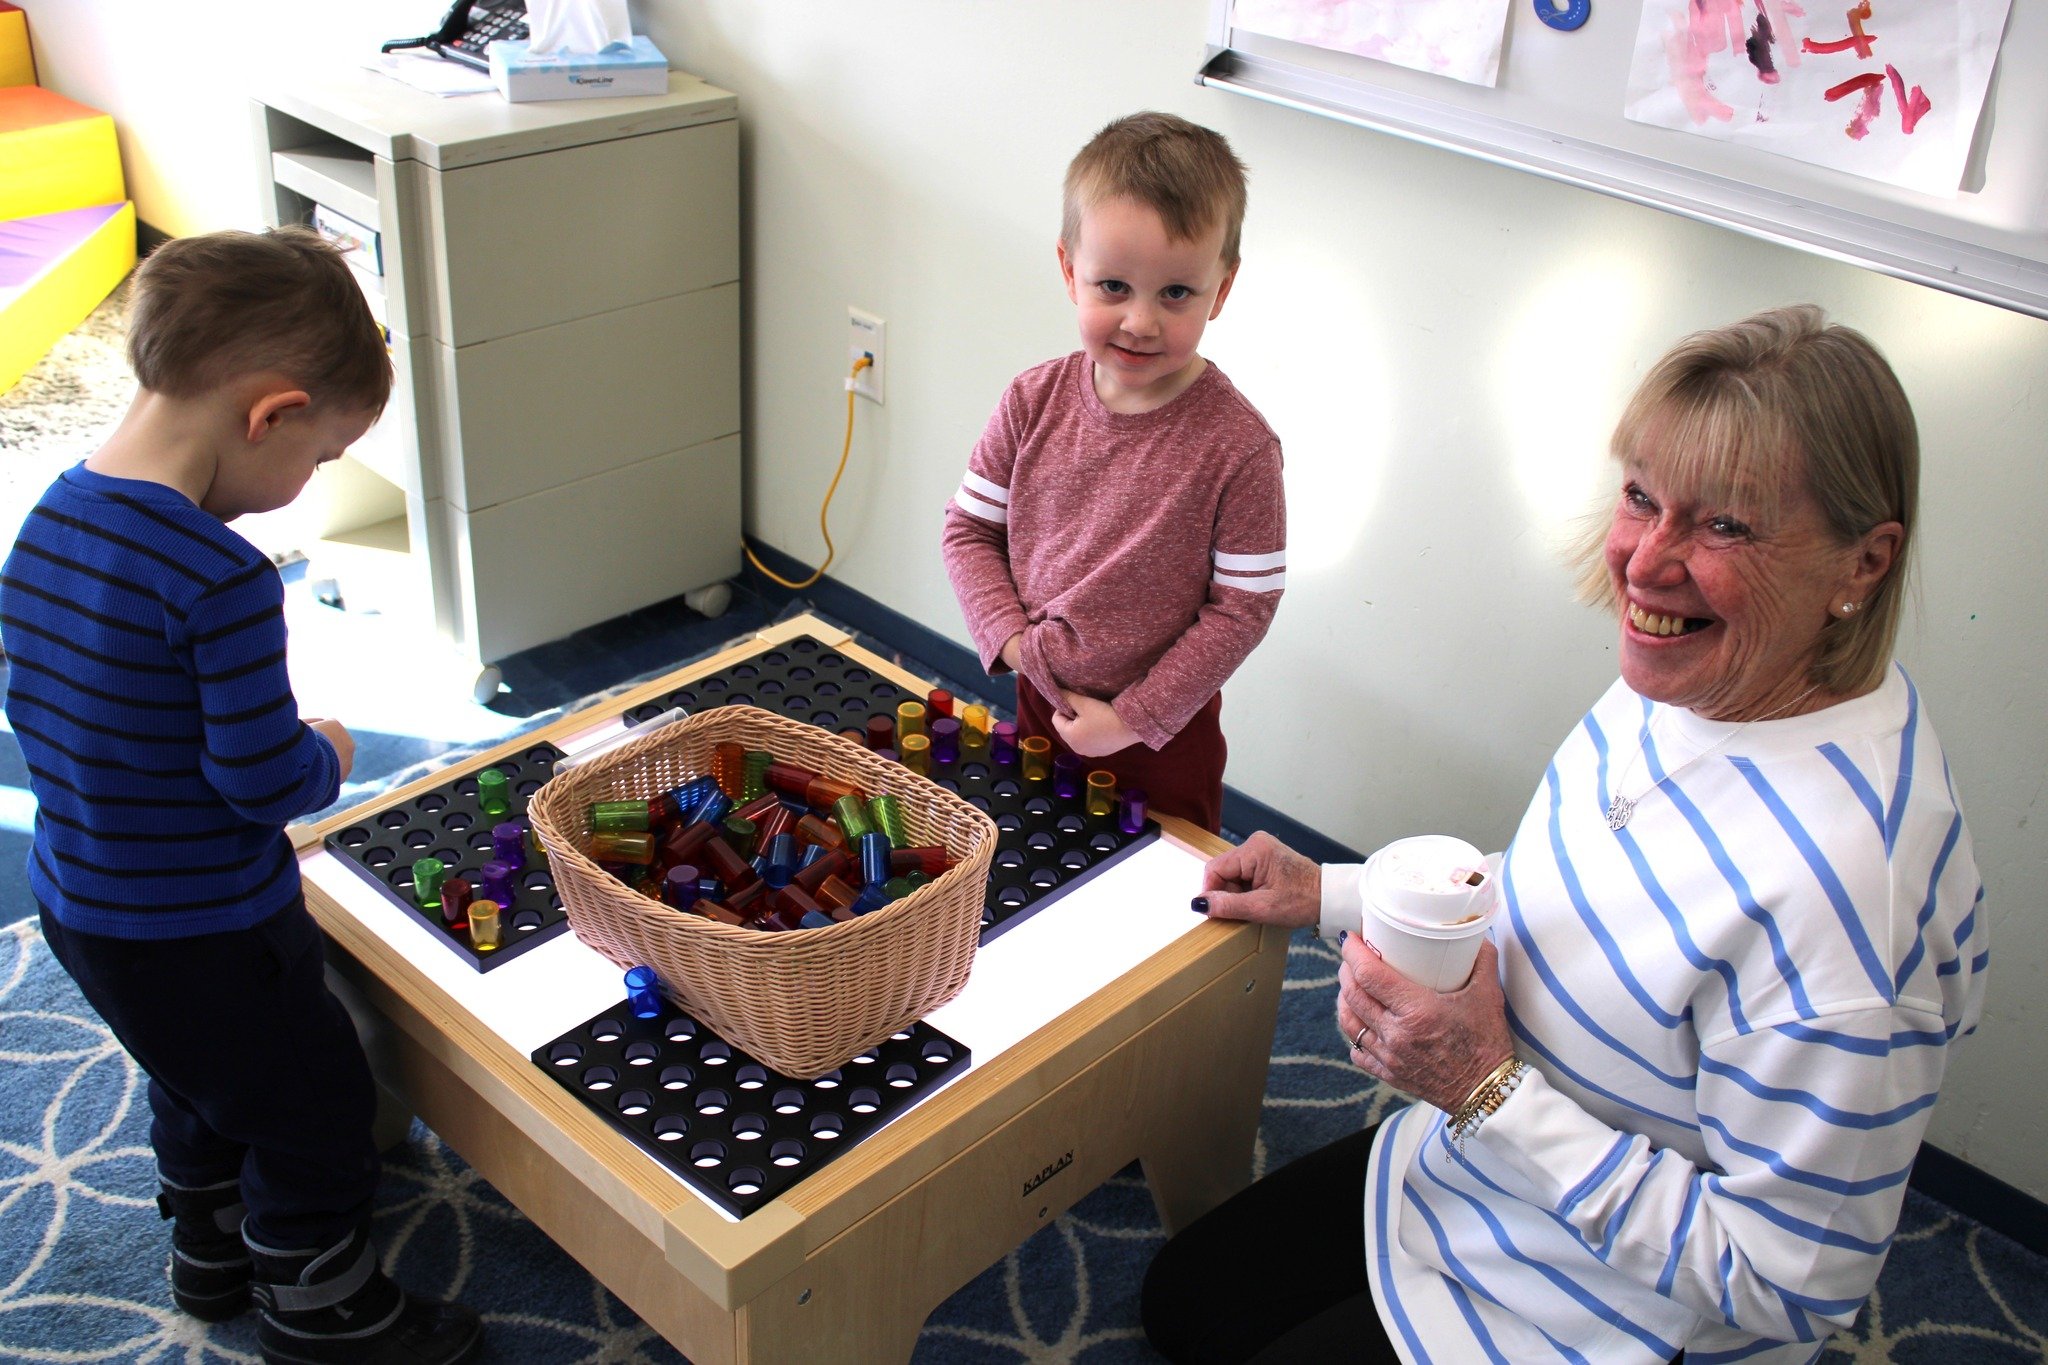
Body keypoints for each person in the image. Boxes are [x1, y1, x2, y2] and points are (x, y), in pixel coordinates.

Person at [1140, 305, 1986, 1364]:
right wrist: (1337, 894)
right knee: (1183, 1305)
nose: (1643, 564)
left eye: (1725, 526)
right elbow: (1571, 889)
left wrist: (1488, 1091)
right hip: (1475, 1167)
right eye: (1641, 497)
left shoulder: (1843, 896)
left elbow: (1786, 1282)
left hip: (1604, 1317)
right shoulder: (1708, 678)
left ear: (1860, 565)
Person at [0, 228, 483, 1365]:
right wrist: (328, 749)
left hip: (81, 902)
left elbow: (49, 710)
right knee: (310, 1106)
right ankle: (323, 1311)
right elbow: (260, 781)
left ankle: (210, 1247)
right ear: (268, 414)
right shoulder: (218, 576)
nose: (307, 485)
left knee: (197, 1075)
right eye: (319, 459)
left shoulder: (48, 518)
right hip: (205, 917)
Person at [941, 111, 1287, 833]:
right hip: (1043, 697)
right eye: (1113, 287)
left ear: (1221, 290)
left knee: (1160, 893)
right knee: (1036, 850)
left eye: (1176, 293)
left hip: (1163, 734)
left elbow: (1242, 610)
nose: (1140, 321)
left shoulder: (1241, 447)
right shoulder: (1032, 399)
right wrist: (1010, 639)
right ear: (1071, 272)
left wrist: (1131, 719)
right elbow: (969, 528)